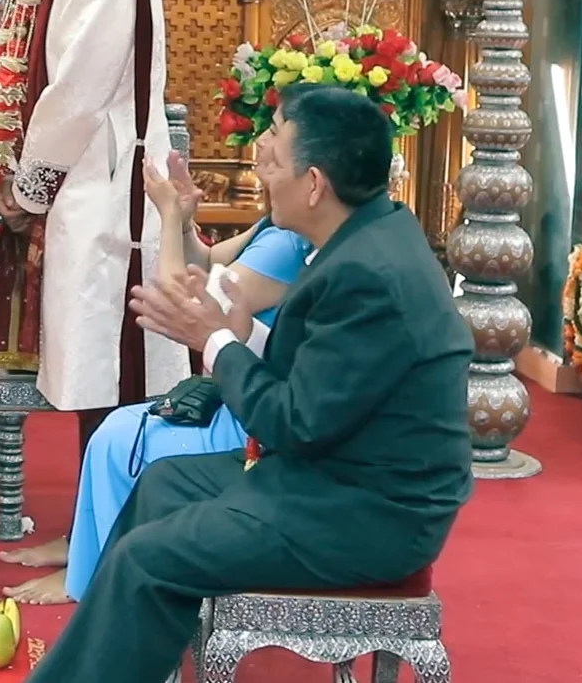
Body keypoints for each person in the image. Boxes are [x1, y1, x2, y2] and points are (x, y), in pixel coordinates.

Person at [28, 85, 473, 683]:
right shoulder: (365, 236)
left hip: (368, 514)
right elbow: (332, 379)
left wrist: (216, 341)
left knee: (147, 559)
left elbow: (294, 423)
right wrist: (242, 336)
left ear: (314, 184)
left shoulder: (366, 273)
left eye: (274, 152)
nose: (261, 165)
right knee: (164, 483)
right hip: (335, 476)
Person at [0, 0, 178, 558]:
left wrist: (26, 189)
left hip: (109, 193)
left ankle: (110, 545)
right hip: (94, 185)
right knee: (98, 371)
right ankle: (93, 533)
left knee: (115, 371)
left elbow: (76, 95)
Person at [2, 151, 314, 605]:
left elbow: (183, 301)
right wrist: (185, 223)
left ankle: (91, 577)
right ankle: (86, 556)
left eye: (275, 135)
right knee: (116, 431)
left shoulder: (287, 242)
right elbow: (209, 260)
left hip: (252, 412)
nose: (261, 145)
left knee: (120, 439)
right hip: (243, 392)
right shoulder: (275, 227)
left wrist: (167, 215)